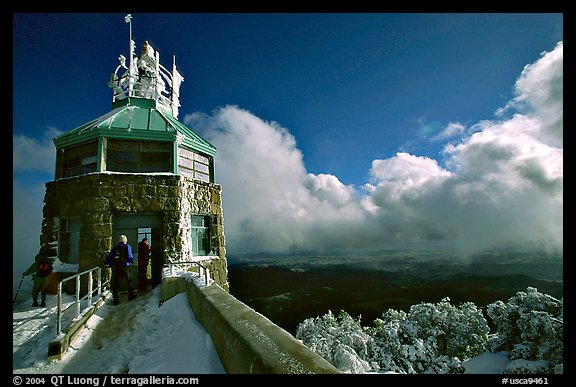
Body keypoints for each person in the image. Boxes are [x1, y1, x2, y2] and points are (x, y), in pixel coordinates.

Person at [104, 235, 135, 305]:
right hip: (125, 266)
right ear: (125, 241)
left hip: (117, 267)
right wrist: (131, 262)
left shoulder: (115, 248)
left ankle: (116, 299)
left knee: (116, 284)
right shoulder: (127, 247)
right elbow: (130, 256)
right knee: (129, 281)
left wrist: (106, 263)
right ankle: (131, 296)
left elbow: (109, 257)